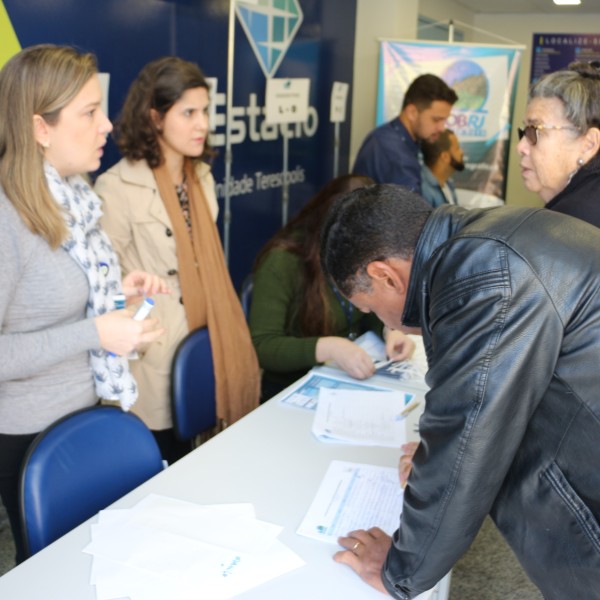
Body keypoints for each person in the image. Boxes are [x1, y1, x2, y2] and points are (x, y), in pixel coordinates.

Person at [320, 183, 600, 600]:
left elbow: (467, 429)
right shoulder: (482, 239)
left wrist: (400, 569)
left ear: (384, 275)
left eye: (371, 306)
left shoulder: (484, 271)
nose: (388, 323)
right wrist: (438, 457)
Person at [0, 44, 168, 564]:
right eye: (90, 113)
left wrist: (121, 297)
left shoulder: (74, 195)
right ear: (40, 128)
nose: (108, 126)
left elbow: (65, 304)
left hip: (89, 411)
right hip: (29, 441)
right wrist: (96, 333)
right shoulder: (6, 217)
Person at [95, 57, 260, 462]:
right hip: (155, 353)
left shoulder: (201, 176)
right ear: (155, 117)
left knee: (204, 460)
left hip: (210, 337)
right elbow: (104, 287)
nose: (202, 124)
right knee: (158, 464)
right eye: (188, 113)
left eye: (204, 111)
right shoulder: (116, 187)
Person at [249, 174, 415, 401]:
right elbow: (262, 346)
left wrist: (389, 330)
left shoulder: (362, 255)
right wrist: (329, 347)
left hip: (347, 380)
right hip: (293, 389)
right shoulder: (282, 262)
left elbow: (367, 308)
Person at [517, 60, 600, 227]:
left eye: (534, 131)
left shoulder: (575, 224)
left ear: (588, 144)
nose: (520, 148)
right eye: (523, 132)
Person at [352, 74, 457, 194]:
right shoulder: (394, 155)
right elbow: (413, 211)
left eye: (445, 120)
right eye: (436, 120)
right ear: (412, 112)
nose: (442, 128)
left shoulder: (393, 137)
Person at [420, 129, 464, 207]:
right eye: (457, 148)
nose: (462, 152)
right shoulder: (423, 190)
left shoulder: (448, 184)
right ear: (445, 157)